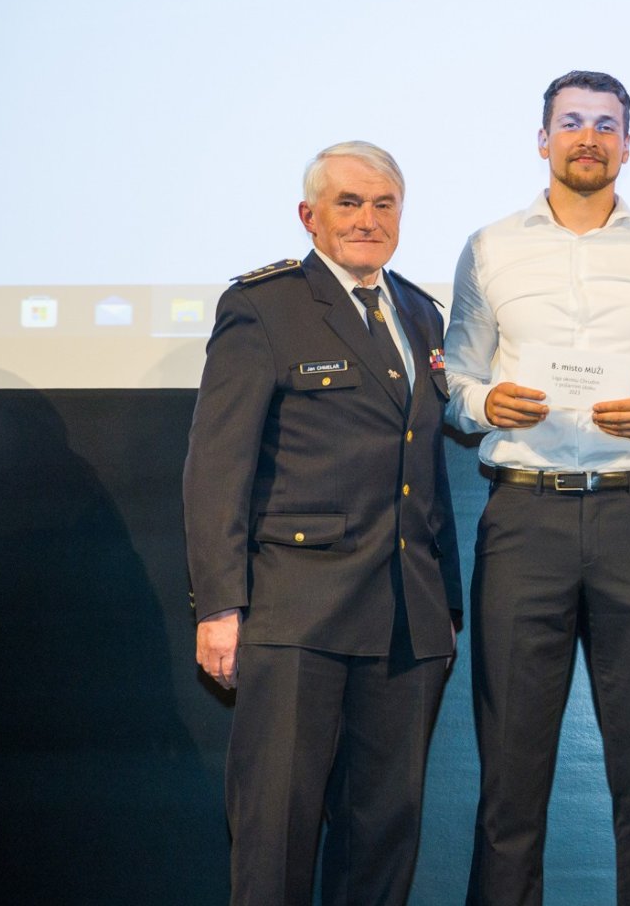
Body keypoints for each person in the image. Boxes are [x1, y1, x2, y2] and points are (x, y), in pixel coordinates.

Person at [443, 70, 630, 906]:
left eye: (606, 125)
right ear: (543, 139)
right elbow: (457, 379)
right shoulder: (490, 246)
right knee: (510, 774)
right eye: (572, 122)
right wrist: (484, 403)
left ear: (627, 146)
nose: (589, 138)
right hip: (523, 517)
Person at [184, 141, 463, 906]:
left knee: (382, 842)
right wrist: (219, 605)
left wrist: (446, 604)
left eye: (384, 204)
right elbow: (217, 469)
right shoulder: (264, 306)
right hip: (296, 616)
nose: (368, 219)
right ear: (309, 216)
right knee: (275, 837)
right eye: (349, 203)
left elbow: (426, 468)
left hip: (407, 622)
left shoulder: (420, 313)